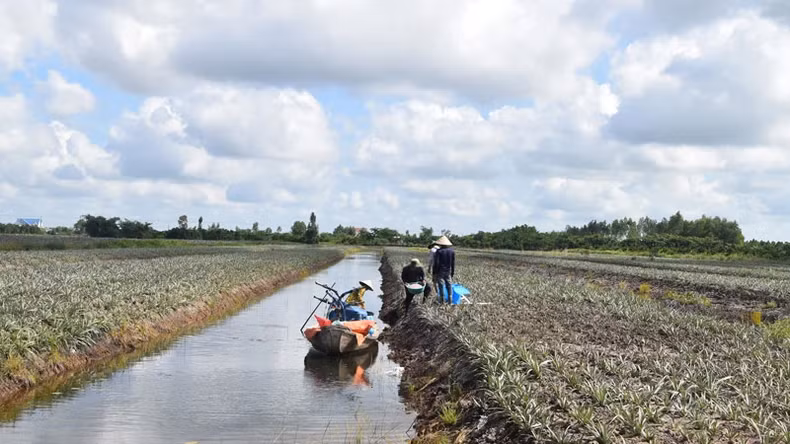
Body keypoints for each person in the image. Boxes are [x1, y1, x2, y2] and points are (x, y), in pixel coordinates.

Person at [433, 235, 455, 304]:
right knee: (449, 285)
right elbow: (453, 263)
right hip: (448, 270)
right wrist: (452, 272)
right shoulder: (452, 251)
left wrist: (434, 273)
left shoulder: (439, 251)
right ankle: (450, 301)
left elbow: (436, 263)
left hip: (440, 271)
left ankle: (442, 302)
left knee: (441, 286)